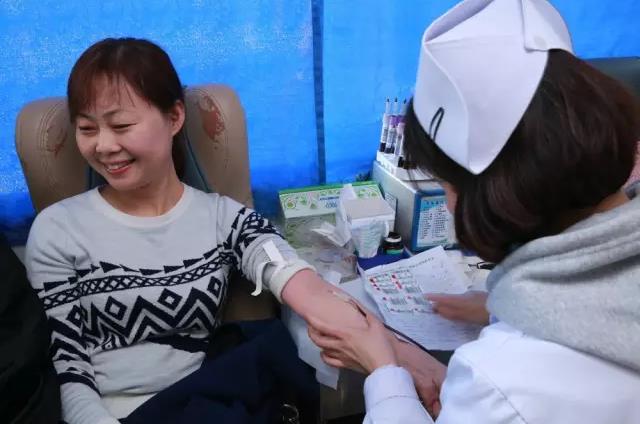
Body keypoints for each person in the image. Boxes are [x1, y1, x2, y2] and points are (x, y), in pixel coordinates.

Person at [24, 38, 441, 424]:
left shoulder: (226, 218)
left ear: (174, 117)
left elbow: (310, 293)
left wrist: (406, 358)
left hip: (202, 404)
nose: (103, 146)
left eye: (121, 126)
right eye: (87, 128)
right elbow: (66, 366)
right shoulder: (57, 230)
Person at [308, 0, 640, 422]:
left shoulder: (503, 380)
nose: (447, 204)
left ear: (495, 195)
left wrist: (383, 370)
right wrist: (498, 305)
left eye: (445, 184)